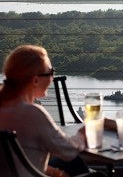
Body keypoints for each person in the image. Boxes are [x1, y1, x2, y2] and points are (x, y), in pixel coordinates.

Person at [0, 45, 104, 176]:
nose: (53, 78)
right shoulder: (32, 113)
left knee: (73, 163)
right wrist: (82, 134)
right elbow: (69, 151)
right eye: (51, 72)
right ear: (35, 80)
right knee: (96, 174)